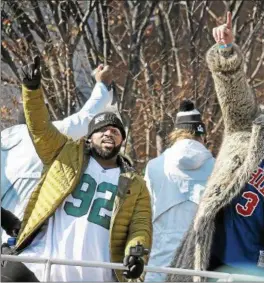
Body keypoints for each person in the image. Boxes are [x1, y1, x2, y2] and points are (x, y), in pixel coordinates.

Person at [167, 12, 264, 281]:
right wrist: (226, 51)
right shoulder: (244, 132)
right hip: (209, 253)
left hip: (253, 268)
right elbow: (233, 92)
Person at [1, 56, 152, 282]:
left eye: (116, 130)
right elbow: (41, 129)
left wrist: (136, 253)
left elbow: (140, 225)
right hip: (43, 266)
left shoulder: (135, 184)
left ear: (122, 142)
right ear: (89, 138)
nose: (109, 133)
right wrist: (32, 90)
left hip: (95, 274)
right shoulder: (65, 155)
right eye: (102, 129)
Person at [1, 64, 118, 244]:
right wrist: (102, 85)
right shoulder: (49, 134)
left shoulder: (4, 145)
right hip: (29, 236)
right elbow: (86, 118)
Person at [144, 100, 215, 282]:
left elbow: (144, 215)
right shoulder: (217, 167)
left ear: (176, 133)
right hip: (199, 259)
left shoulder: (154, 166)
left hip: (160, 260)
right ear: (201, 135)